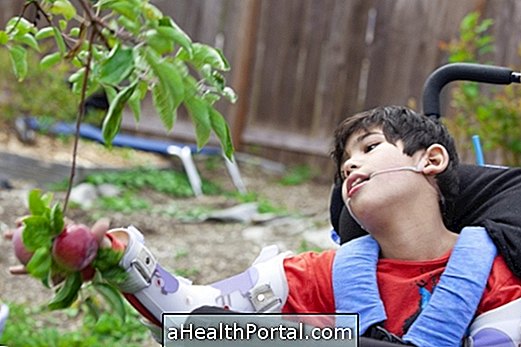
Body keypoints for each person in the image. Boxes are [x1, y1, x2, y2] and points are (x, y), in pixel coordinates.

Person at [8, 106, 521, 346]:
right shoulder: (322, 274)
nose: (349, 166)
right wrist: (116, 258)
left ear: (430, 160)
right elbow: (197, 322)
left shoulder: (499, 278)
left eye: (369, 148)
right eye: (343, 160)